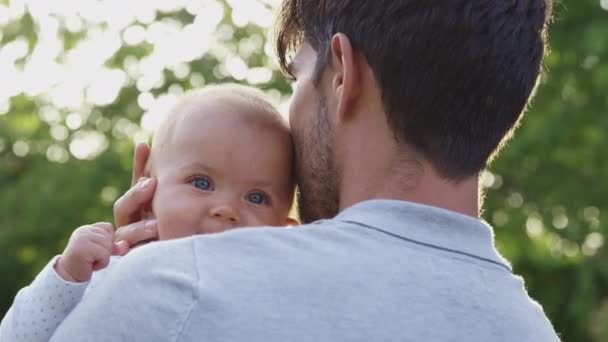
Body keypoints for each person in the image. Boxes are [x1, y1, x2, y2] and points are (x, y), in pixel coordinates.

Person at [49, 0, 561, 340]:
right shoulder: (533, 331)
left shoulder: (171, 290)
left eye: (297, 78)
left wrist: (98, 284)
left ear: (342, 75)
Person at [0, 84, 296, 342]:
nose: (227, 210)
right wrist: (65, 278)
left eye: (257, 197)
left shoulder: (275, 305)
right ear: (148, 188)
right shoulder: (113, 271)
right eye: (201, 182)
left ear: (288, 227)